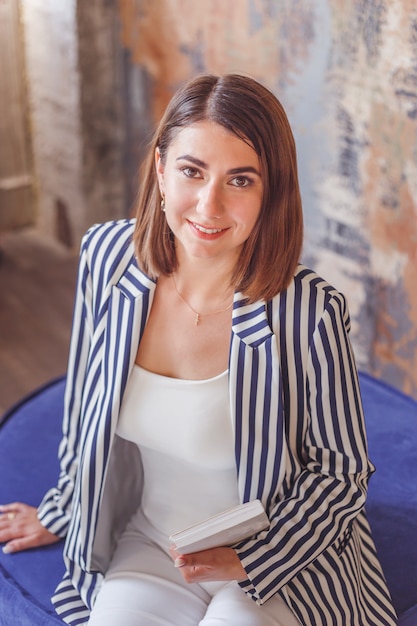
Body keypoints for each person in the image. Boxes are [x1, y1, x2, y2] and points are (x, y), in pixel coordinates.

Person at [0, 74, 396, 626]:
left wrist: (251, 559)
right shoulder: (107, 257)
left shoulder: (308, 312)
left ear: (270, 192)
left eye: (240, 179)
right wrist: (65, 507)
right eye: (192, 171)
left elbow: (341, 473)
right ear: (161, 169)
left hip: (278, 559)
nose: (209, 205)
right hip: (150, 543)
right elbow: (84, 407)